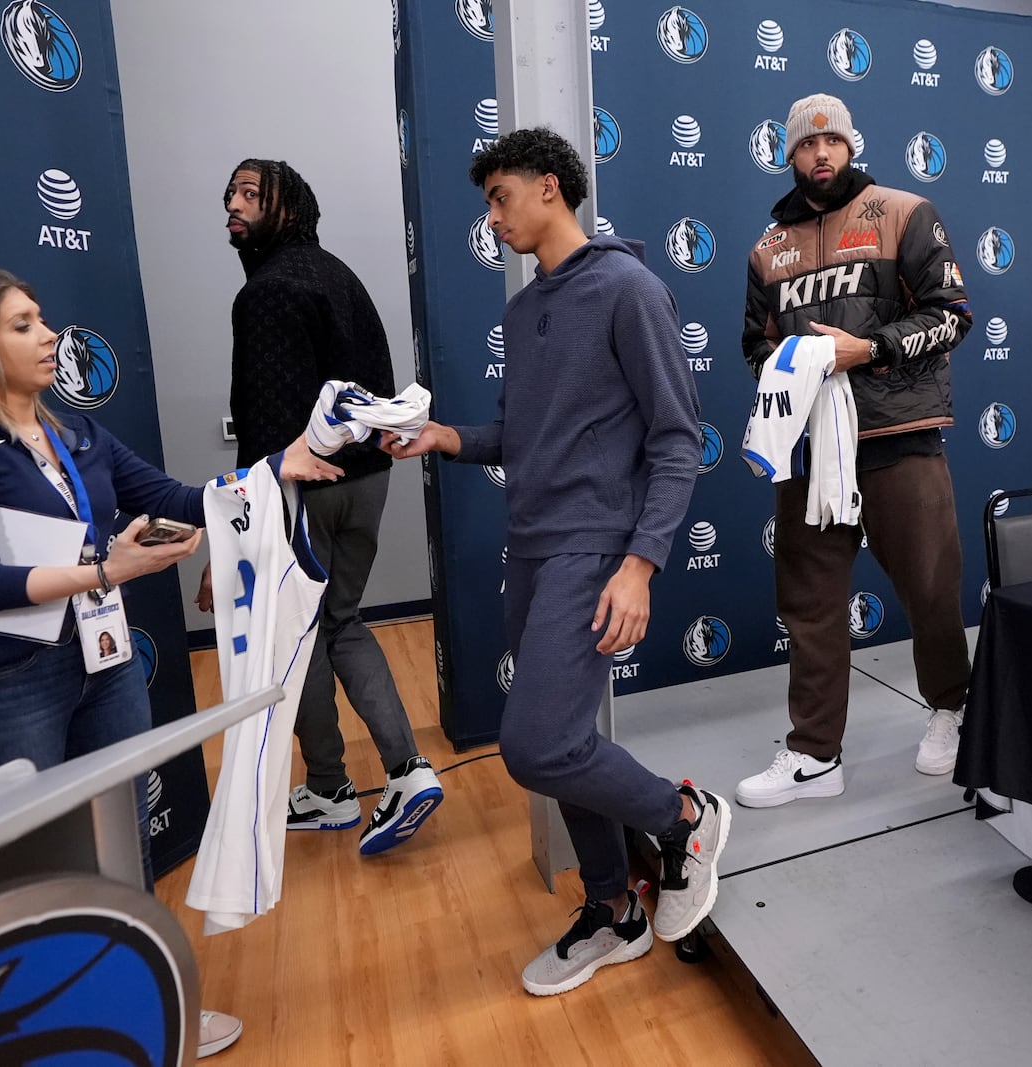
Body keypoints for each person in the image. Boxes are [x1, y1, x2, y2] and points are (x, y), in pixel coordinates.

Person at [0, 268, 338, 1057]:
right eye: (23, 323)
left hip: (102, 666)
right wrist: (106, 570)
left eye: (41, 317)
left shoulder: (74, 433)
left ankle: (146, 1017)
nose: (49, 333)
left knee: (121, 850)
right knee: (29, 881)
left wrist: (277, 470)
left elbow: (178, 495)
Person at [383, 128, 730, 995]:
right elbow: (521, 436)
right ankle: (614, 909)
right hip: (531, 548)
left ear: (549, 188)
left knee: (534, 745)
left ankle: (685, 816)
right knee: (566, 740)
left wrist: (641, 564)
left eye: (500, 198)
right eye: (487, 203)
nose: (492, 217)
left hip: (594, 548)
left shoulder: (628, 288)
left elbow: (678, 438)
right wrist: (445, 437)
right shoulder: (523, 308)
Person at [736, 94, 974, 808]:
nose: (820, 155)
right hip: (810, 448)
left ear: (849, 145)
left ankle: (953, 709)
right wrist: (787, 366)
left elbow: (952, 315)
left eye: (831, 142)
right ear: (788, 155)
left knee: (931, 587)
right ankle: (815, 752)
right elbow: (754, 345)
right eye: (806, 146)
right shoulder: (766, 249)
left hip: (898, 437)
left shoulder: (904, 211)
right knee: (809, 604)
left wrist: (867, 349)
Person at [214, 158, 442, 856]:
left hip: (305, 489)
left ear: (287, 206)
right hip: (369, 482)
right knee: (340, 621)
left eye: (251, 193)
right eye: (230, 192)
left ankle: (329, 789)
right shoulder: (341, 273)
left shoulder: (263, 296)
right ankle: (408, 769)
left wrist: (242, 519)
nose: (234, 202)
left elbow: (263, 425)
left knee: (299, 633)